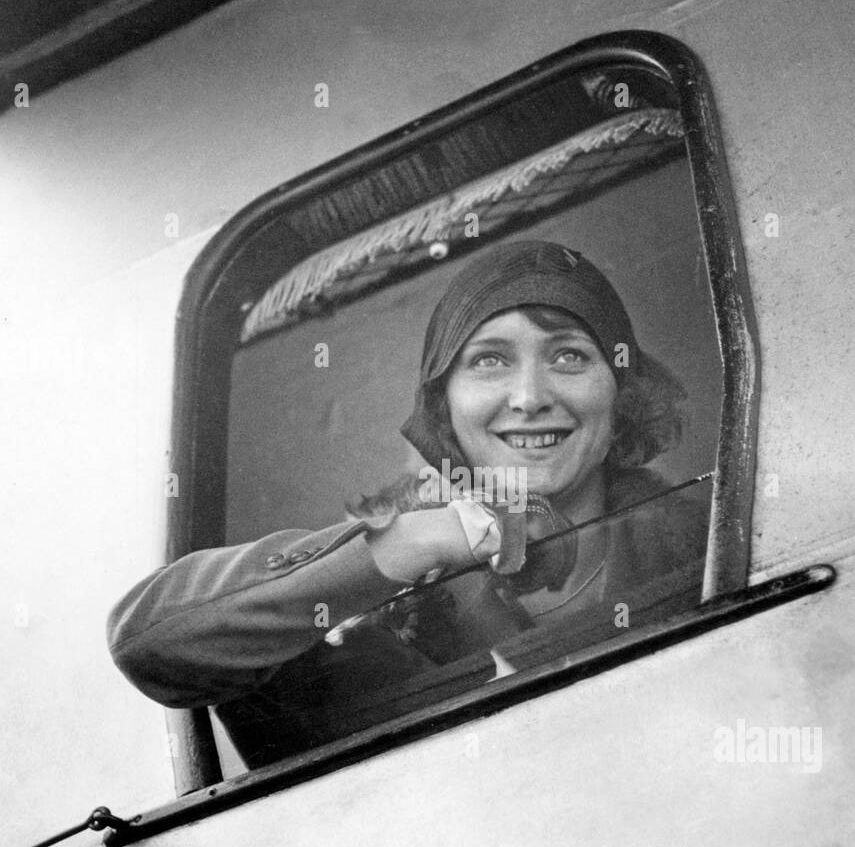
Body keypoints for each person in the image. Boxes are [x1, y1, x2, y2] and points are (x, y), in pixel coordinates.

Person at [107, 239, 709, 767]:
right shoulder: (371, 604)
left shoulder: (709, 535)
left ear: (621, 391)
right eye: (489, 361)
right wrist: (419, 540)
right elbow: (149, 642)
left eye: (569, 356)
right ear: (443, 406)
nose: (529, 397)